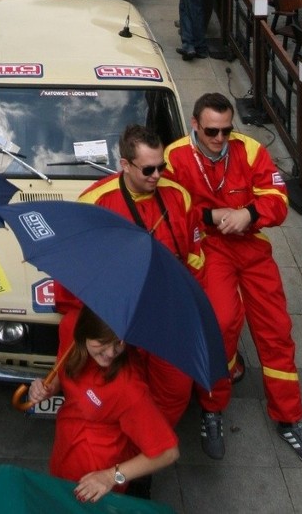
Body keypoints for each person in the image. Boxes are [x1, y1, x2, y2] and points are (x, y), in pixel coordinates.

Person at [165, 93, 302, 467]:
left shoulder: (249, 149)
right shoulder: (174, 157)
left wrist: (248, 214)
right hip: (211, 248)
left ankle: (289, 417)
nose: (220, 138)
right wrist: (211, 216)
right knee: (221, 324)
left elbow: (278, 200)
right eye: (211, 131)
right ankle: (212, 408)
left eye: (226, 130)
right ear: (194, 125)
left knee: (276, 329)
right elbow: (173, 207)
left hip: (251, 244)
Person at [80, 124, 205, 427]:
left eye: (162, 167)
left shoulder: (179, 197)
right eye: (149, 169)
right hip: (118, 319)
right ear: (124, 164)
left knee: (175, 389)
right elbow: (81, 276)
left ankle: (148, 448)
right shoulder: (96, 203)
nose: (157, 176)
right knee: (115, 390)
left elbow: (195, 259)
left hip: (167, 313)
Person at [26, 306, 179, 501]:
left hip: (96, 483)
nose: (111, 353)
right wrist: (47, 387)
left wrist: (110, 477)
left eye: (119, 343)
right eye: (102, 343)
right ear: (84, 331)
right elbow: (64, 370)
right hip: (63, 451)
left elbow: (167, 453)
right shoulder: (70, 326)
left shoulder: (129, 388)